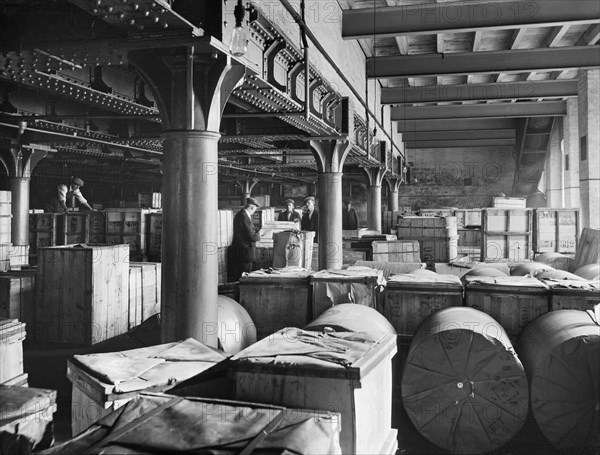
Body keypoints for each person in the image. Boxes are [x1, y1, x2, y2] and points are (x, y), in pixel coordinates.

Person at [229, 197, 261, 281]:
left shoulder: (241, 215)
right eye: (255, 210)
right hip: (244, 252)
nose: (254, 212)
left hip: (242, 252)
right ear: (252, 207)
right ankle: (240, 294)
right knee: (244, 276)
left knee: (241, 275)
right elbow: (251, 236)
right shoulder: (244, 217)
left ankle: (239, 293)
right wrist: (259, 235)